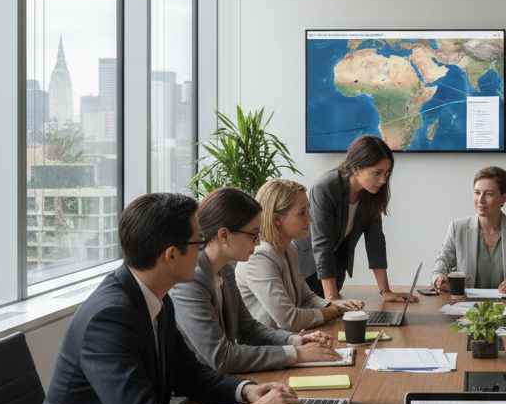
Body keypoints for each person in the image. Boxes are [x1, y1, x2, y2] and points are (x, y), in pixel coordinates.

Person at [8, 192, 303, 404]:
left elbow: (189, 374)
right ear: (172, 256)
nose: (204, 247)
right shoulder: (109, 317)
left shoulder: (154, 298)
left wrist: (247, 391)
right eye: (198, 241)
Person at [170, 187, 340, 372]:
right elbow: (221, 357)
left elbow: (248, 329)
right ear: (224, 235)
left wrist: (295, 341)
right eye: (253, 234)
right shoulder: (191, 280)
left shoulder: (225, 269)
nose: (258, 242)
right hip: (197, 392)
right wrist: (297, 354)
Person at [238, 178, 365, 330]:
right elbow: (289, 319)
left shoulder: (290, 249)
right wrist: (331, 312)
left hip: (287, 342)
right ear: (276, 219)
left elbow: (305, 298)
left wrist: (333, 304)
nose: (310, 219)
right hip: (266, 349)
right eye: (302, 213)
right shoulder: (259, 259)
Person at [305, 134, 415, 302]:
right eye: (377, 172)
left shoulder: (371, 193)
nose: (383, 180)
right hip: (306, 270)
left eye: (386, 172)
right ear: (355, 169)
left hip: (334, 272)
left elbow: (375, 241)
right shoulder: (326, 188)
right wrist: (332, 298)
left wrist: (385, 291)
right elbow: (322, 245)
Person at [431, 166, 506, 294]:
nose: (480, 200)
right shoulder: (457, 228)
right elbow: (438, 270)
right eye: (477, 192)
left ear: (504, 198)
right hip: (467, 307)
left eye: (488, 194)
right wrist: (439, 280)